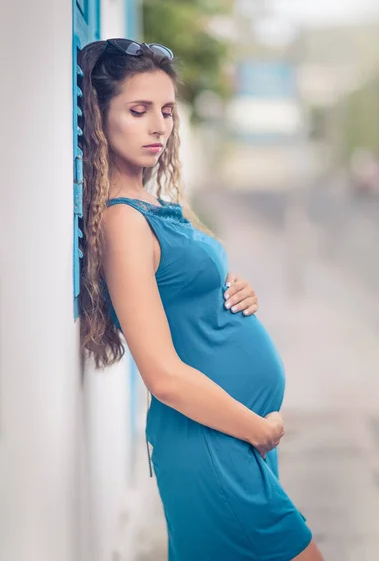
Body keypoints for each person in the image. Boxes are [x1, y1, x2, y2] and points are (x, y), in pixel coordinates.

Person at [78, 38, 324, 561]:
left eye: (166, 111)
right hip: (214, 439)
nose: (158, 126)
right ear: (100, 117)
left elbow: (183, 294)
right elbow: (163, 376)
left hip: (229, 437)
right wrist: (259, 429)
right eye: (138, 110)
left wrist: (234, 290)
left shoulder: (152, 205)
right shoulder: (122, 220)